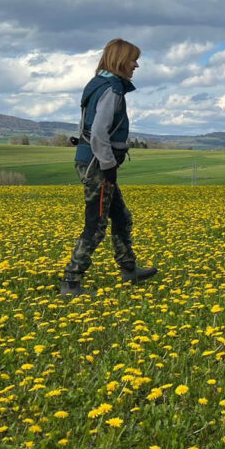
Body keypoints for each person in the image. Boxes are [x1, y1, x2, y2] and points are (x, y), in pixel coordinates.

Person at [60, 39, 157, 296]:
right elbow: (98, 133)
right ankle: (71, 281)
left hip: (91, 160)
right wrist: (108, 164)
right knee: (96, 223)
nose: (136, 65)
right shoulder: (111, 89)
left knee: (122, 217)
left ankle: (129, 269)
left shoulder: (97, 84)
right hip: (98, 163)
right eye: (133, 59)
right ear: (120, 60)